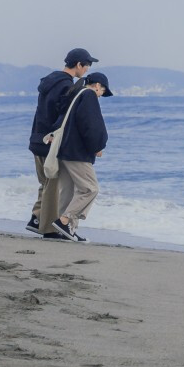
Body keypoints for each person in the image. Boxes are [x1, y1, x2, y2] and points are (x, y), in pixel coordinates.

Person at [26, 48, 99, 237]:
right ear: (78, 65)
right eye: (87, 66)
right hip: (49, 141)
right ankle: (51, 230)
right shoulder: (65, 86)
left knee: (46, 182)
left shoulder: (50, 81)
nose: (87, 71)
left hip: (36, 138)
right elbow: (62, 115)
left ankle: (36, 218)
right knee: (53, 185)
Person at [49, 71, 112, 242]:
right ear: (97, 85)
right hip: (77, 153)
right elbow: (91, 124)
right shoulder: (89, 95)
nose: (101, 95)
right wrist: (98, 146)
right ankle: (64, 221)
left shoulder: (74, 93)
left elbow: (61, 118)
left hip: (64, 150)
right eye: (103, 91)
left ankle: (67, 231)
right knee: (90, 189)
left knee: (68, 192)